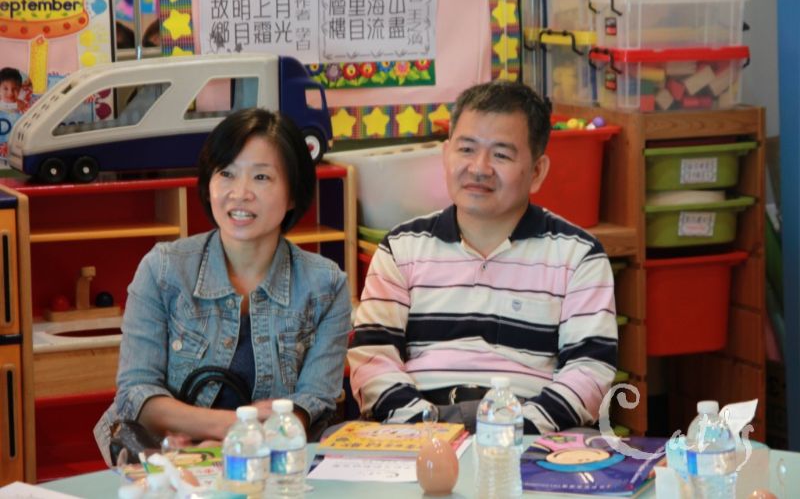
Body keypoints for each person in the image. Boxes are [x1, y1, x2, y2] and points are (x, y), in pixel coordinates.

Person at [347, 81, 618, 434]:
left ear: (537, 172)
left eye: (501, 155)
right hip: (419, 426)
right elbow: (372, 357)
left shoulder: (579, 255)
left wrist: (518, 428)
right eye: (466, 149)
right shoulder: (401, 247)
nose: (479, 168)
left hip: (531, 430)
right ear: (446, 155)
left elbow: (589, 369)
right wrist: (423, 424)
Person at [95, 108, 351, 464]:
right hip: (172, 467)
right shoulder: (163, 270)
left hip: (274, 468)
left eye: (261, 177)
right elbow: (135, 394)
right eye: (226, 173)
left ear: (293, 193)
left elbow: (314, 402)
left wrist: (242, 439)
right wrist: (230, 427)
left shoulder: (326, 286)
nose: (240, 193)